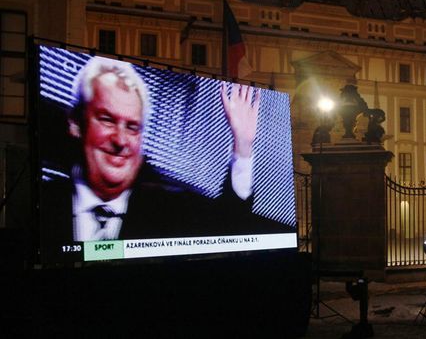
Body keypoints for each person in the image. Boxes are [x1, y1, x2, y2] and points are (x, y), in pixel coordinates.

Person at [41, 57, 289, 248]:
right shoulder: (45, 203)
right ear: (75, 123)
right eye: (106, 120)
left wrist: (243, 145)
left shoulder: (168, 207)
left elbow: (233, 226)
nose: (120, 140)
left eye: (132, 127)